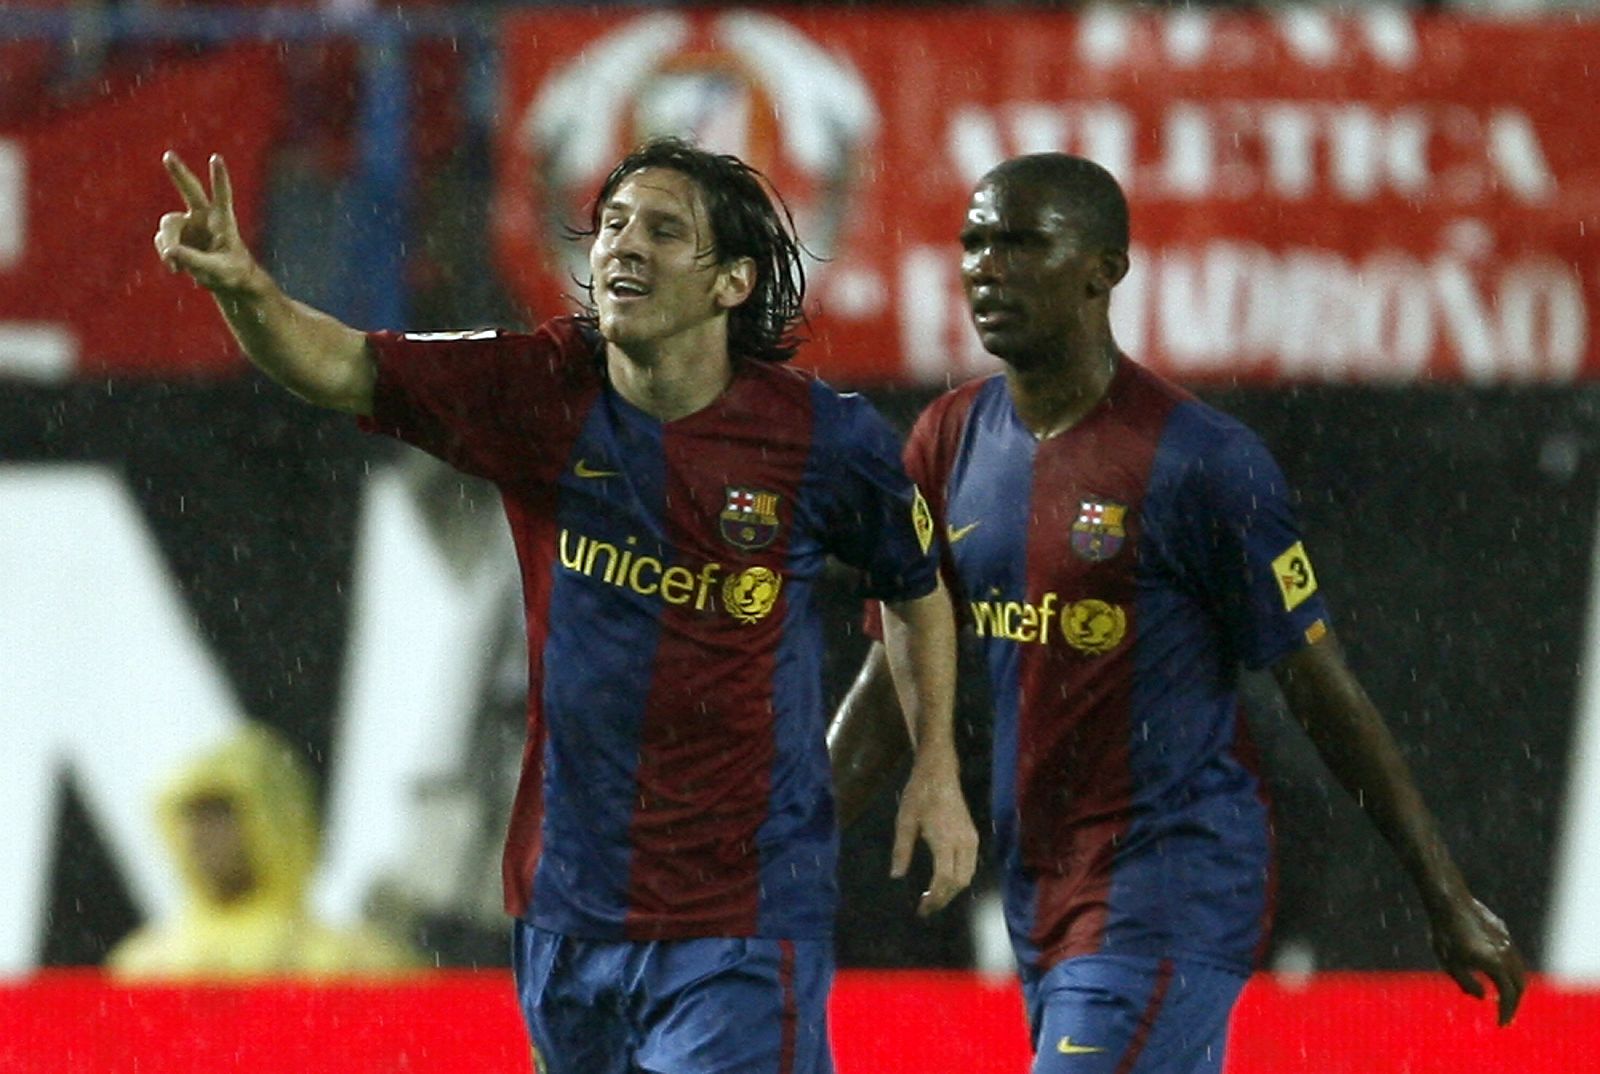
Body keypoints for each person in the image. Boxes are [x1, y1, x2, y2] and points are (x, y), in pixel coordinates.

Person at [154, 137, 977, 1072]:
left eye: (664, 231)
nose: (624, 245)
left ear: (733, 284)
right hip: (565, 908)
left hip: (740, 915)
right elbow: (343, 366)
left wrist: (936, 769)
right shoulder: (539, 387)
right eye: (614, 223)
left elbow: (917, 587)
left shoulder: (823, 441)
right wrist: (244, 290)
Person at [827, 153, 1526, 1073]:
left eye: (1022, 242)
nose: (986, 267)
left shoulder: (1202, 462)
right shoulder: (946, 441)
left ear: (1104, 269)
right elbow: (891, 685)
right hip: (1038, 880)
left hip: (1171, 878)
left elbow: (1320, 687)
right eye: (974, 243)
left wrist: (1445, 893)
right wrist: (760, 861)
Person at [107, 722, 420, 979]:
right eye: (189, 816)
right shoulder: (146, 967)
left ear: (275, 818)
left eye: (220, 813)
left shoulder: (352, 963)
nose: (197, 835)